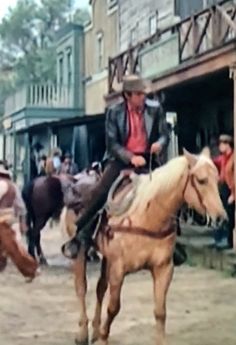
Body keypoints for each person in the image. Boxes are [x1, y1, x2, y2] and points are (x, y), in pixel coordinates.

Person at [62, 74, 170, 259]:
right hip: (120, 159)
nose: (143, 97)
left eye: (144, 94)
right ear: (128, 95)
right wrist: (130, 157)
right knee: (99, 192)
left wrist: (160, 143)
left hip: (148, 159)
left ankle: (173, 241)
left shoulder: (155, 109)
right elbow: (112, 143)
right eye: (138, 94)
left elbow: (165, 134)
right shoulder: (114, 112)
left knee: (169, 191)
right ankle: (82, 235)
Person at [213, 134, 234, 248]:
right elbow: (214, 161)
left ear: (227, 145)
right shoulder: (223, 158)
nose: (220, 146)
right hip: (223, 188)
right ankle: (219, 239)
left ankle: (228, 240)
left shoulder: (233, 158)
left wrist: (234, 194)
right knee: (221, 214)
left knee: (229, 216)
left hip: (230, 189)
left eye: (222, 144)